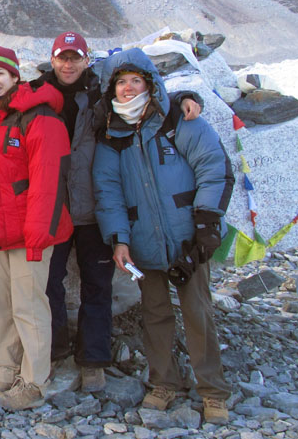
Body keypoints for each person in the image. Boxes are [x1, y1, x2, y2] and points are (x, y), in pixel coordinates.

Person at [41, 32, 204, 392]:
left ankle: (93, 359)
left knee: (96, 287)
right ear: (52, 60)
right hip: (53, 209)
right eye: (62, 58)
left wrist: (183, 98)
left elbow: (143, 97)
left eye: (75, 58)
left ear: (87, 60)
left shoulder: (100, 92)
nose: (68, 64)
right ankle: (53, 354)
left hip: (95, 210)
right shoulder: (38, 94)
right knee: (49, 285)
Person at [92, 47, 233, 425]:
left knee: (198, 312)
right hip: (143, 243)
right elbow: (108, 192)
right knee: (155, 314)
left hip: (189, 238)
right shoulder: (110, 135)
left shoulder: (179, 120)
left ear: (150, 82)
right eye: (120, 82)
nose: (127, 88)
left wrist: (206, 224)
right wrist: (119, 239)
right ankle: (163, 383)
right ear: (111, 89)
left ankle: (212, 391)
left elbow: (213, 167)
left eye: (135, 80)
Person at [0, 47, 73, 411]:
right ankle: (6, 372)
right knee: (4, 307)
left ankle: (33, 382)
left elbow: (48, 184)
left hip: (31, 233)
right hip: (0, 231)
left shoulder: (40, 118)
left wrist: (37, 236)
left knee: (30, 307)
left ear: (16, 77)